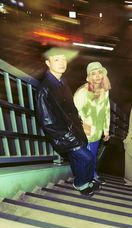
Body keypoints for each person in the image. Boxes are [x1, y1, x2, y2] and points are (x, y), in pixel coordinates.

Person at [36, 47, 100, 196]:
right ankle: (80, 183)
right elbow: (47, 122)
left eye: (64, 59)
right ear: (48, 63)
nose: (61, 63)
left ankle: (85, 182)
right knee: (88, 157)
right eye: (56, 59)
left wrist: (80, 123)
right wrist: (69, 138)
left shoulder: (62, 81)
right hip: (65, 135)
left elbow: (71, 108)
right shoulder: (44, 89)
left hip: (75, 129)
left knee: (78, 160)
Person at [73, 61, 111, 183]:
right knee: (87, 158)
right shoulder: (82, 93)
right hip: (86, 133)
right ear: (89, 77)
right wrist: (83, 127)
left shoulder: (104, 90)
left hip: (97, 132)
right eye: (93, 74)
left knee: (93, 156)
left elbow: (106, 110)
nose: (98, 76)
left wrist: (106, 130)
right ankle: (85, 181)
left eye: (100, 73)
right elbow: (73, 114)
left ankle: (93, 175)